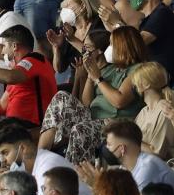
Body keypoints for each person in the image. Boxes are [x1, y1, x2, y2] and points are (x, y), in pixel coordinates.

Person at [39, 27, 145, 163]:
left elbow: (119, 101)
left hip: (115, 122)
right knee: (61, 97)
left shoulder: (137, 69)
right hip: (93, 117)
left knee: (79, 129)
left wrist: (98, 78)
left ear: (123, 46)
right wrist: (90, 76)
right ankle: (40, 157)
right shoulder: (111, 68)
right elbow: (86, 103)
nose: (109, 48)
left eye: (112, 44)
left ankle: (72, 175)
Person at [0, 125, 100, 195]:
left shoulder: (48, 165)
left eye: (5, 153)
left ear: (23, 149)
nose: (3, 160)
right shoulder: (29, 170)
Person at [0, 25, 57, 127]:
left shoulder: (34, 60)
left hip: (32, 128)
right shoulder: (18, 71)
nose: (2, 52)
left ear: (14, 46)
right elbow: (1, 106)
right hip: (15, 128)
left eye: (4, 46)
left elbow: (10, 77)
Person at [101, 120, 174, 195]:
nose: (107, 148)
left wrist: (100, 187)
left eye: (109, 144)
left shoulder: (146, 170)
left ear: (122, 149)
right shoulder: (125, 168)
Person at [127, 0, 174, 82]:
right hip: (151, 70)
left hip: (161, 74)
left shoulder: (162, 13)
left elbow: (137, 43)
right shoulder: (150, 17)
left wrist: (117, 23)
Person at [45, 0, 104, 77]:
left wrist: (72, 39)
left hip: (99, 77)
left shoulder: (98, 25)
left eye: (68, 5)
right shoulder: (67, 30)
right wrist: (56, 47)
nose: (64, 10)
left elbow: (95, 57)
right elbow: (59, 69)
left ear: (83, 6)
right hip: (77, 81)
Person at [130, 62, 174, 159]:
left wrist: (129, 138)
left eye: (136, 81)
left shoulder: (165, 110)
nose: (134, 85)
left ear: (146, 84)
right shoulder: (143, 111)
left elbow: (157, 154)